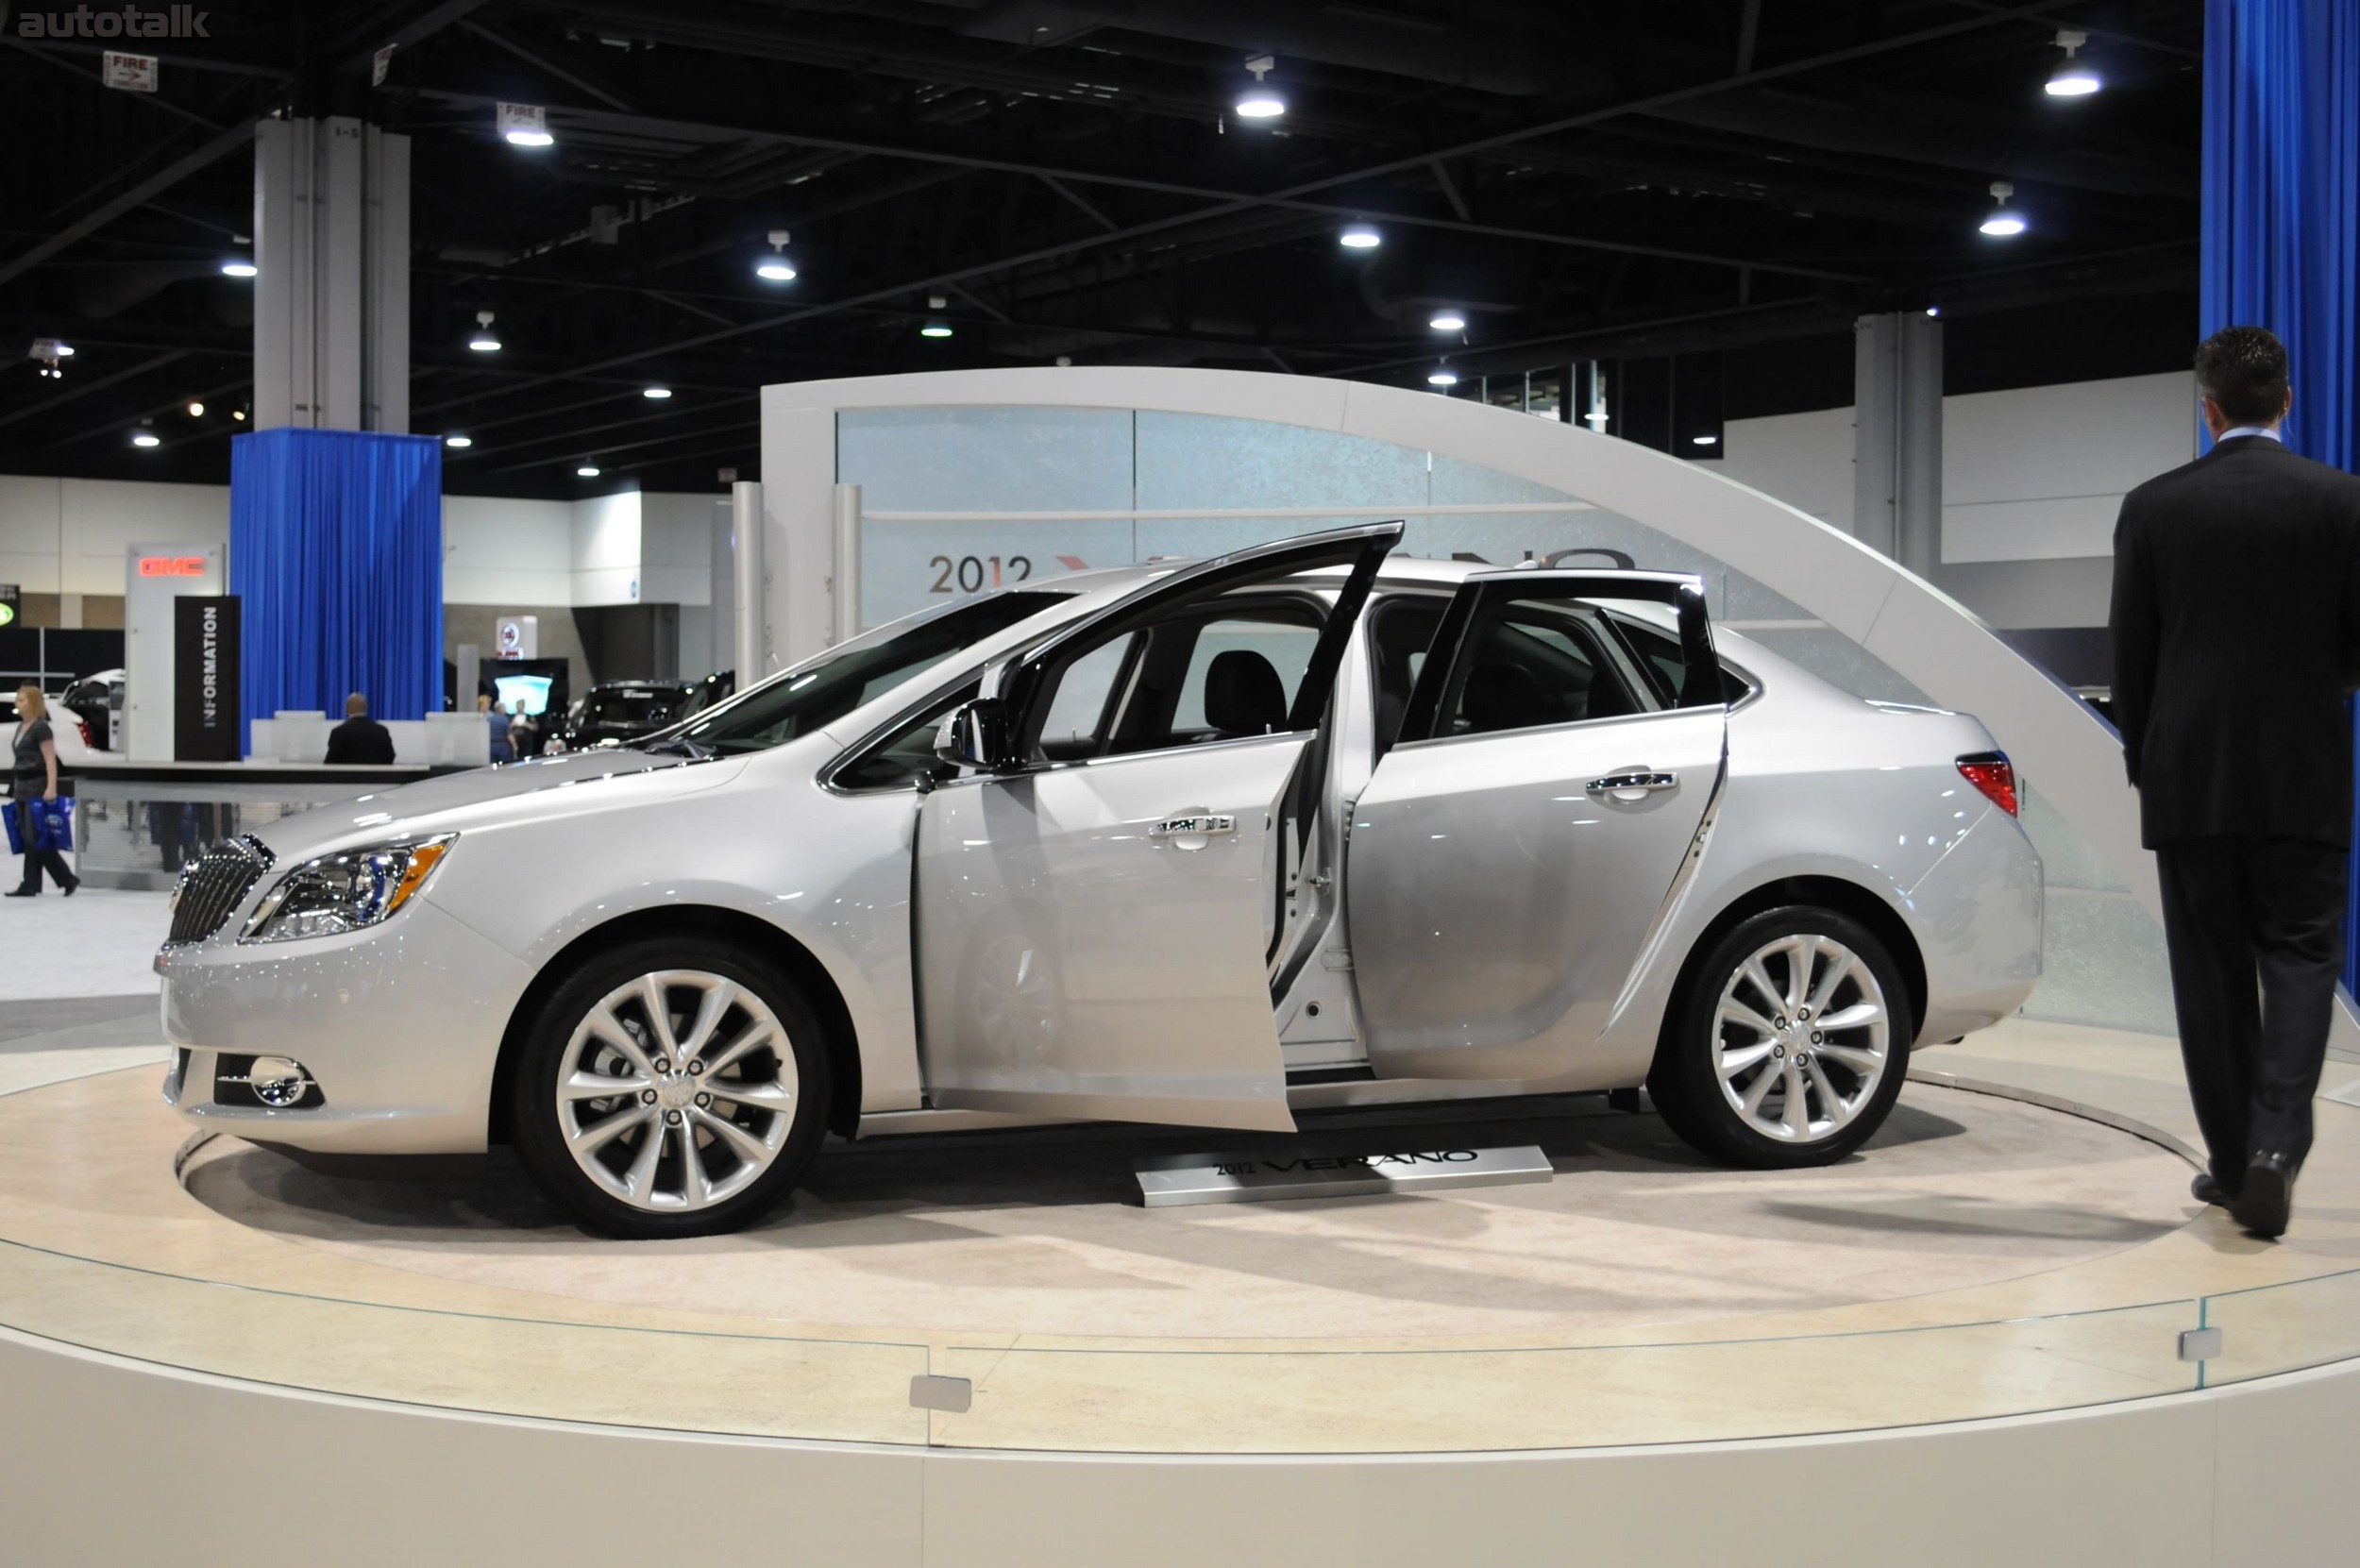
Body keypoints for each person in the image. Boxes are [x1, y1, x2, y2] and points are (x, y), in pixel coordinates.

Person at [2109, 324, 2360, 1240]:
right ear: (2285, 401)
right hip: (2303, 770)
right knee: (2300, 960)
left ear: (2205, 406)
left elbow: (2129, 655)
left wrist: (2146, 759)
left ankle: (2228, 1160)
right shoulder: (2343, 501)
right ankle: (2272, 1152)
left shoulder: (2151, 507)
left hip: (2190, 775)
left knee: (2210, 974)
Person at [8, 684, 79, 897]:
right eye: (18, 699)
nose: (18, 703)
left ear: (33, 702)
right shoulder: (22, 727)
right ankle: (31, 883)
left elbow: (50, 759)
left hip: (37, 788)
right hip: (21, 788)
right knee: (27, 838)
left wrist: (51, 787)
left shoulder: (41, 728)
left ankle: (66, 878)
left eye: (22, 699)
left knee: (35, 838)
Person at [324, 692, 396, 765]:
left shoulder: (338, 732)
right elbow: (390, 757)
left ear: (347, 709)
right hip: (376, 775)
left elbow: (331, 761)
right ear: (365, 708)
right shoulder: (382, 731)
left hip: (347, 775)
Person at [480, 692, 514, 763]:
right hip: (503, 746)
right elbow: (509, 735)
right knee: (505, 766)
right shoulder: (504, 719)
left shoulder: (489, 719)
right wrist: (515, 746)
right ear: (501, 709)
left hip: (491, 745)